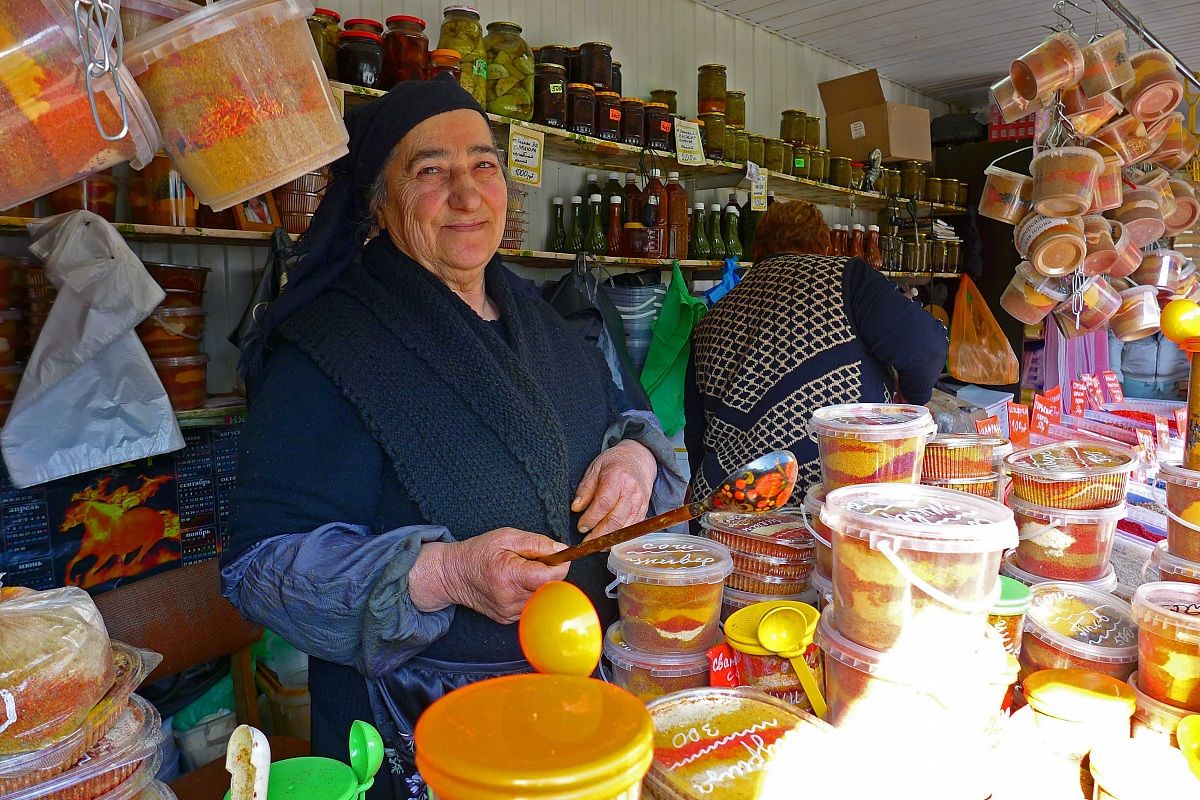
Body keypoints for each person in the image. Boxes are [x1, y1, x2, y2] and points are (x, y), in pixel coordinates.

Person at [220, 77, 680, 800]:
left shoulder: (544, 317)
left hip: (574, 709)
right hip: (424, 731)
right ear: (379, 202)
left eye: (484, 166)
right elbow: (257, 566)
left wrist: (634, 459)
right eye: (431, 171)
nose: (468, 194)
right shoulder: (327, 349)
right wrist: (445, 575)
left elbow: (633, 417)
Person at [684, 200, 948, 496]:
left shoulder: (713, 317)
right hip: (825, 497)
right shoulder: (846, 279)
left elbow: (696, 437)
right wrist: (910, 400)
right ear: (825, 248)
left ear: (756, 251)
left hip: (728, 501)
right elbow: (926, 347)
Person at [1107, 328, 1188, 400]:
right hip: (1132, 385)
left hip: (1179, 384)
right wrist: (1116, 379)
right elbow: (1116, 337)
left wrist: (1192, 380)